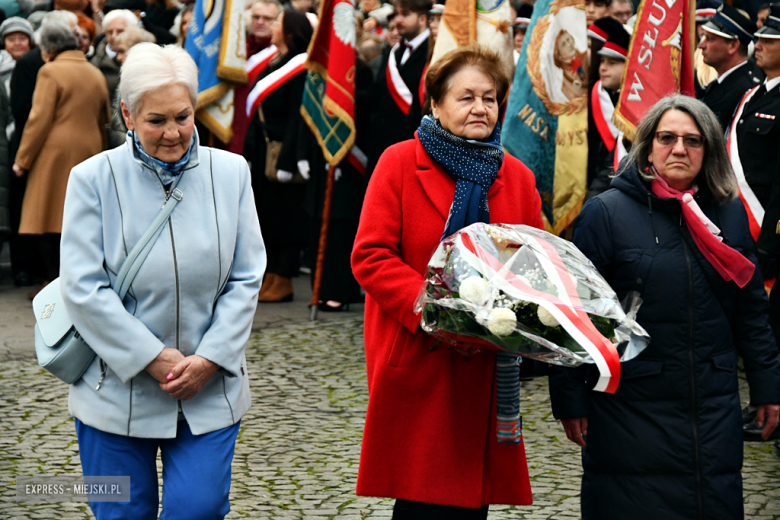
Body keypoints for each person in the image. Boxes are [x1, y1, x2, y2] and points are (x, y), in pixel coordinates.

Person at [59, 43, 265, 520]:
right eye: (156, 120)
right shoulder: (92, 179)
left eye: (183, 116)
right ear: (128, 114)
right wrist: (150, 357)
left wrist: (211, 359)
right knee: (120, 514)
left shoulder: (231, 173)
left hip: (207, 387)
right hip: (113, 391)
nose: (173, 132)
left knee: (199, 508)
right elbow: (84, 285)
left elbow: (247, 274)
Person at [550, 95, 780, 520]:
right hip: (630, 410)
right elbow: (573, 316)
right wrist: (569, 400)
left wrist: (768, 387)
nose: (679, 149)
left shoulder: (729, 214)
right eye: (667, 138)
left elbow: (751, 311)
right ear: (647, 146)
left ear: (708, 149)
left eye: (693, 141)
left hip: (711, 408)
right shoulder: (606, 213)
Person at [352, 45, 543, 519]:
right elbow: (370, 255)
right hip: (420, 353)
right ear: (435, 104)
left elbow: (533, 270)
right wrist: (438, 308)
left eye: (490, 97)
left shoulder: (517, 177)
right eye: (466, 97)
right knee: (419, 498)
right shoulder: (399, 162)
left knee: (469, 502)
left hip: (486, 364)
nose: (480, 108)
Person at [12, 21, 108, 298]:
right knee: (79, 220)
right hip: (90, 151)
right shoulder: (94, 72)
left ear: (49, 48)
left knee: (44, 219)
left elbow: (38, 119)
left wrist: (23, 159)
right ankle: (74, 281)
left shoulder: (50, 71)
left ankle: (54, 283)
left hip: (54, 154)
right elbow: (106, 118)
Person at [244, 9, 312, 303]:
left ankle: (284, 277)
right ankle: (270, 275)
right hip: (263, 148)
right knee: (266, 216)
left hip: (283, 151)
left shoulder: (300, 66)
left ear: (290, 32)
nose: (270, 26)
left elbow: (300, 115)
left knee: (286, 216)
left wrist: (291, 158)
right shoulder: (273, 60)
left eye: (277, 23)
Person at [365, 0, 431, 178]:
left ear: (422, 19)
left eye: (405, 14)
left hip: (409, 147)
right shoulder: (394, 51)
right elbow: (376, 97)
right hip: (381, 146)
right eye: (396, 14)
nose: (397, 20)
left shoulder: (433, 52)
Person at [697, 3, 762, 130]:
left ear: (732, 46)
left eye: (709, 39)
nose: (701, 45)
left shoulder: (745, 90)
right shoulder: (722, 82)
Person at [586, 18, 628, 199]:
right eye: (602, 61)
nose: (603, 68)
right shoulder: (590, 95)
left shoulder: (634, 103)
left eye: (612, 63)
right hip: (590, 179)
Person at [108, 25, 156, 147]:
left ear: (138, 51)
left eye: (122, 51)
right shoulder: (128, 77)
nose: (118, 58)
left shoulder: (151, 84)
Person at [91, 8, 138, 103]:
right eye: (109, 32)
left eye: (120, 31)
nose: (114, 36)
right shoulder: (96, 62)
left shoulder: (143, 57)